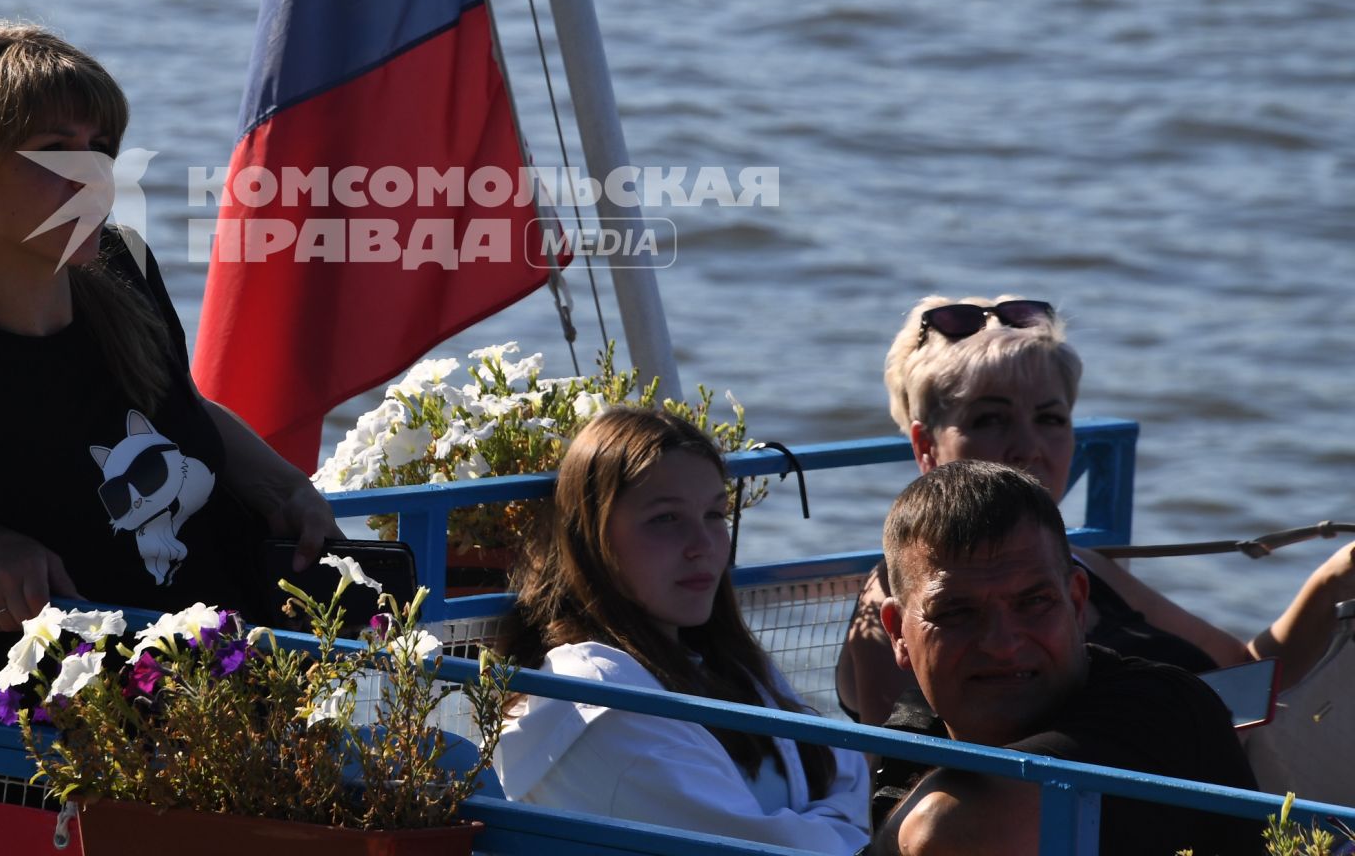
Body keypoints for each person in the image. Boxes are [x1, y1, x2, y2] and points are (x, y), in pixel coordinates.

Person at [0, 22, 339, 718]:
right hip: (63, 772)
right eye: (54, 153)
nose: (93, 179)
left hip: (238, 719)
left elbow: (178, 409)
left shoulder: (126, 271)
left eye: (100, 150)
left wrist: (283, 486)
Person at [836, 295, 1355, 728]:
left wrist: (1333, 579)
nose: (1028, 446)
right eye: (991, 419)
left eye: (1050, 419)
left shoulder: (1084, 566)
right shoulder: (912, 607)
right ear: (926, 445)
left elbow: (1248, 671)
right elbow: (912, 780)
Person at [494, 407, 870, 853]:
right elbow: (760, 847)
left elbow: (845, 769)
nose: (704, 546)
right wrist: (844, 824)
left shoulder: (719, 663)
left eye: (715, 514)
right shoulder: (593, 700)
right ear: (591, 538)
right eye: (666, 519)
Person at [869, 460, 1260, 856]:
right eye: (955, 612)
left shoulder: (1159, 710)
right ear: (898, 631)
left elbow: (947, 834)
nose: (1002, 644)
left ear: (1076, 602)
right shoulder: (917, 722)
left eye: (1034, 602)